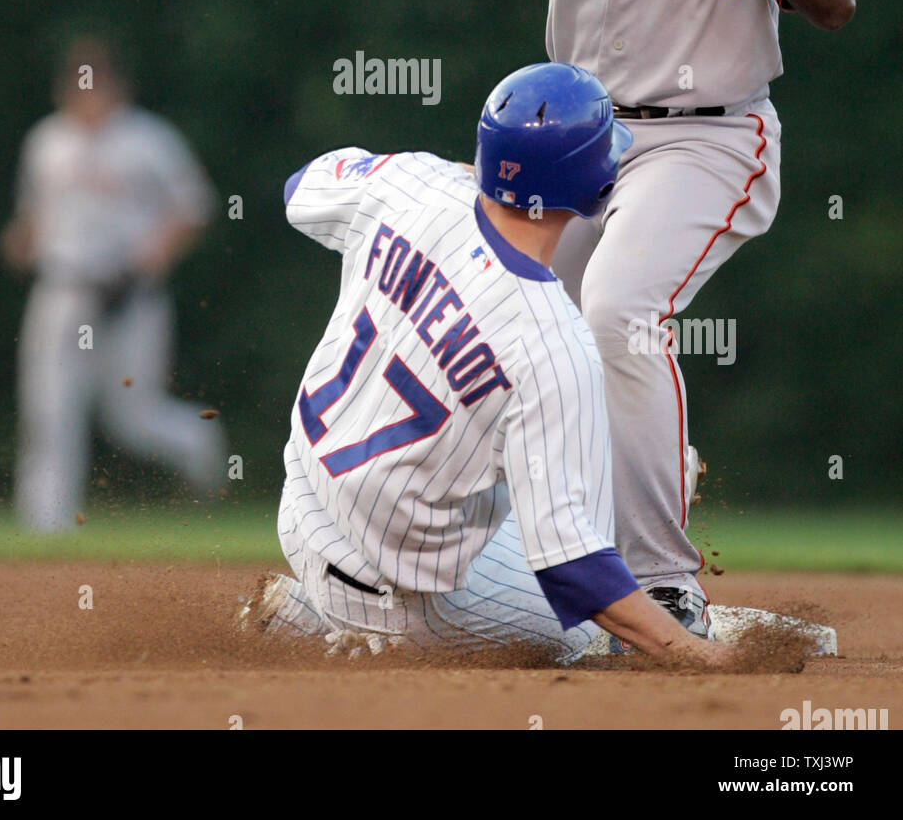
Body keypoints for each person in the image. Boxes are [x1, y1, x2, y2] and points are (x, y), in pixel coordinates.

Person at [306, 0, 857, 636]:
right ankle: (413, 571)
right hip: (580, 144)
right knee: (502, 339)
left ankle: (662, 585)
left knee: (613, 317)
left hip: (708, 139)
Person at [246, 62, 735, 665]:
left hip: (301, 513)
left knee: (534, 471)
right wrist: (695, 656)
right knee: (593, 636)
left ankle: (308, 608)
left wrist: (429, 187)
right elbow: (574, 570)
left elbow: (301, 187)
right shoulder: (554, 342)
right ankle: (316, 623)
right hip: (401, 598)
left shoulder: (411, 184)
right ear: (598, 186)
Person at [1, 38, 224, 532]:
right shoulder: (47, 141)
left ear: (118, 87)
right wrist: (20, 242)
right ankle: (45, 527)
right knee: (49, 406)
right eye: (80, 82)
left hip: (129, 295)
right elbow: (34, 218)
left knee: (132, 416)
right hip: (62, 289)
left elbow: (192, 207)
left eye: (97, 81)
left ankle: (200, 443)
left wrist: (145, 264)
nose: (88, 93)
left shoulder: (147, 139)